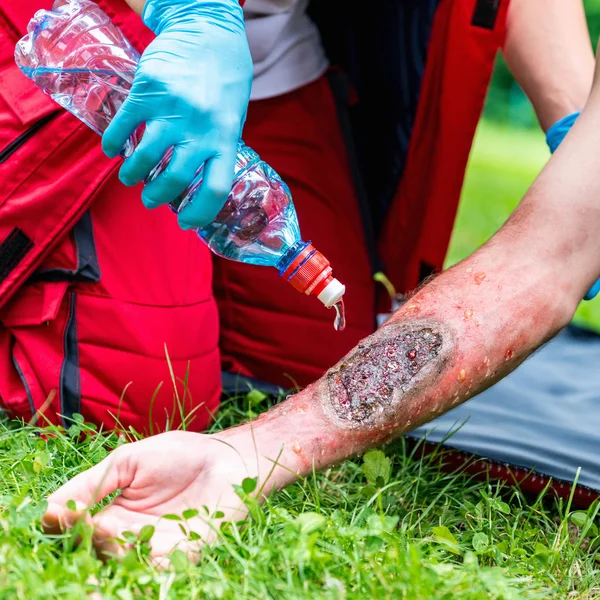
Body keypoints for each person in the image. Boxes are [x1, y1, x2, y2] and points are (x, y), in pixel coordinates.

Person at [33, 0, 600, 559]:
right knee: (130, 395)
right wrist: (195, 11)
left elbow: (541, 265)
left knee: (314, 363)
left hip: (274, 51)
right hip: (85, 36)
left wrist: (248, 454)